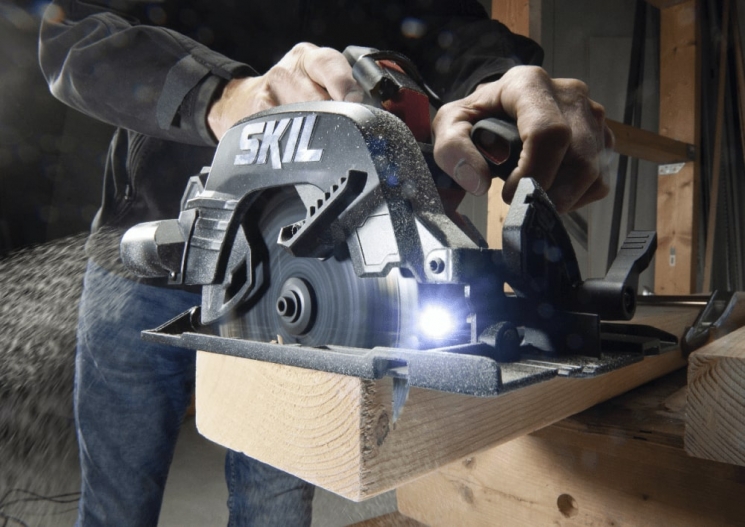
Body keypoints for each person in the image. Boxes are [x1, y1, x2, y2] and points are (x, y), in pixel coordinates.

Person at [38, 1, 613, 525]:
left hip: (313, 280)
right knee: (116, 502)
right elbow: (73, 30)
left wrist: (494, 80)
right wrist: (221, 95)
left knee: (273, 508)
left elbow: (450, 22)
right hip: (144, 250)